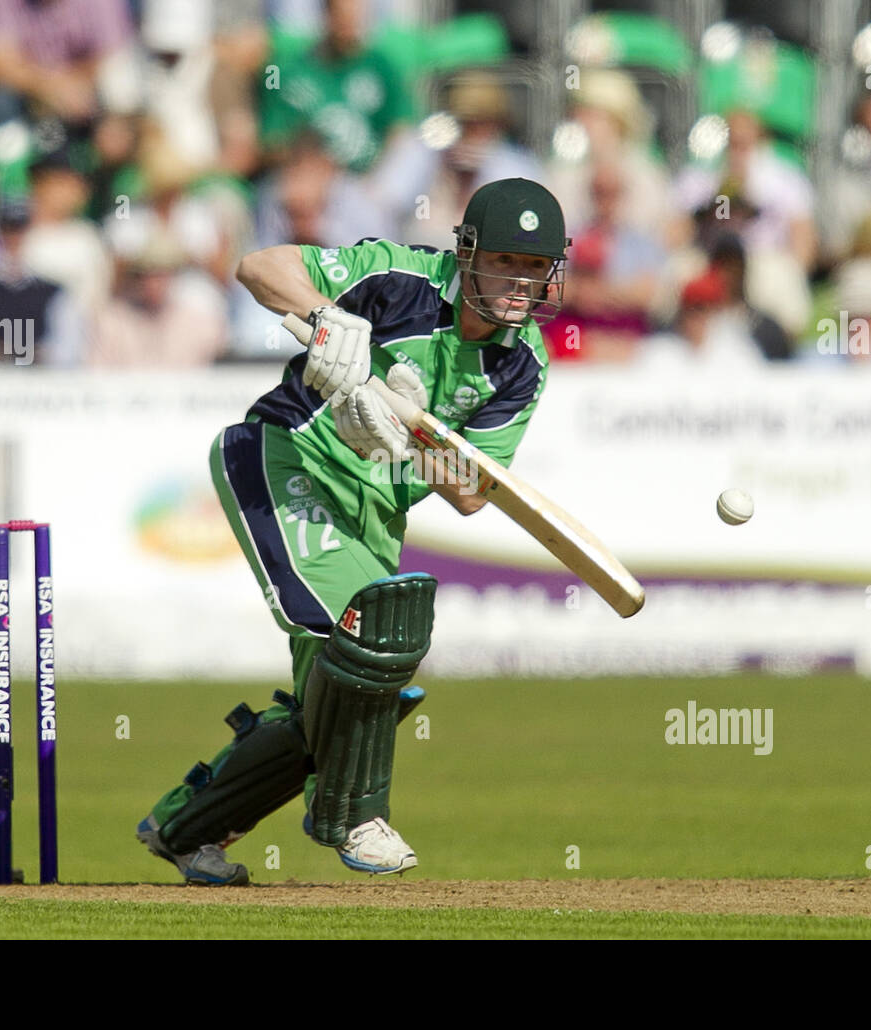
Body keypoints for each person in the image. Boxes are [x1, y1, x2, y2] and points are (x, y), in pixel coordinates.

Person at [136, 177, 570, 884]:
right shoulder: (399, 279)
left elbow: (466, 493)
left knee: (345, 699)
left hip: (373, 513)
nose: (520, 284)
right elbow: (260, 267)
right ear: (466, 254)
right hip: (285, 461)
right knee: (373, 633)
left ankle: (187, 826)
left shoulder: (524, 363)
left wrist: (406, 429)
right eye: (504, 263)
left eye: (534, 268)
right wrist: (328, 322)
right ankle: (349, 815)